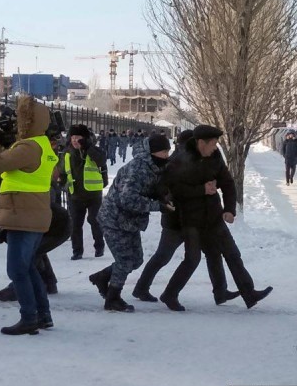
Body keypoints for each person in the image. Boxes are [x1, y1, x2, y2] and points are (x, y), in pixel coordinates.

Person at [158, 125, 273, 311]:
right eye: (212, 144)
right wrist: (201, 190)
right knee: (192, 259)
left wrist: (229, 209)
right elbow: (171, 191)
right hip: (191, 220)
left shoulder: (214, 157)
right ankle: (170, 294)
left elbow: (227, 182)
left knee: (232, 254)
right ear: (200, 143)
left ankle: (248, 292)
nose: (215, 147)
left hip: (213, 216)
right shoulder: (180, 160)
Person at [131, 130, 241, 305]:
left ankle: (220, 291)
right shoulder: (175, 162)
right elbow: (170, 191)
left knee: (213, 253)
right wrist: (202, 189)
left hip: (195, 220)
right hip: (175, 222)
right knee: (164, 256)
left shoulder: (195, 159)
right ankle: (142, 288)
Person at [0, 96, 59, 335]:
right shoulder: (42, 144)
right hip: (33, 214)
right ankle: (43, 315)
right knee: (27, 267)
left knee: (17, 269)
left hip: (22, 215)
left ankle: (29, 318)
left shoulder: (29, 147)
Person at [89, 134, 172, 313]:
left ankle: (102, 277)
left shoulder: (154, 167)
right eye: (163, 151)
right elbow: (127, 199)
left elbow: (149, 189)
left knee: (136, 260)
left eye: (167, 151)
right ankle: (113, 298)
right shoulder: (138, 168)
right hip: (114, 219)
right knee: (126, 261)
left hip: (129, 221)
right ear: (152, 152)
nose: (166, 155)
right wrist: (157, 206)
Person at [60, 124, 108, 260]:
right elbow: (63, 170)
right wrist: (62, 181)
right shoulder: (67, 153)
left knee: (94, 220)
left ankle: (99, 246)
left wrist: (88, 147)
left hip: (93, 194)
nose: (75, 140)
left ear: (85, 138)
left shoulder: (93, 150)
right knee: (75, 224)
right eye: (73, 137)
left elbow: (101, 160)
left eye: (78, 137)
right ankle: (77, 251)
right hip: (75, 194)